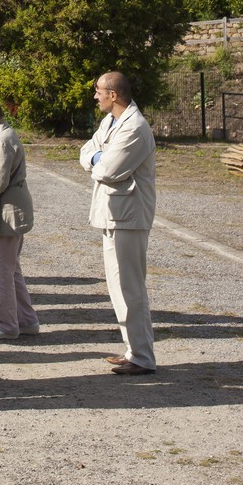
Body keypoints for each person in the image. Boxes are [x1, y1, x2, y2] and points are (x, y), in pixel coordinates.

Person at [79, 71, 157, 376]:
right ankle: (133, 350)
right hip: (114, 214)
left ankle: (143, 357)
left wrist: (98, 159)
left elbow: (109, 170)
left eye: (99, 91)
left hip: (129, 217)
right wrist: (98, 157)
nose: (95, 96)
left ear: (113, 95)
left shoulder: (135, 127)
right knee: (118, 287)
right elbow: (86, 152)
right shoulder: (110, 122)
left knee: (130, 287)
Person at [0, 98, 37, 340]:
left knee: (2, 271)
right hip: (10, 210)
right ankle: (26, 320)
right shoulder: (4, 135)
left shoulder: (1, 140)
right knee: (11, 269)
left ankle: (7, 324)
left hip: (7, 214)